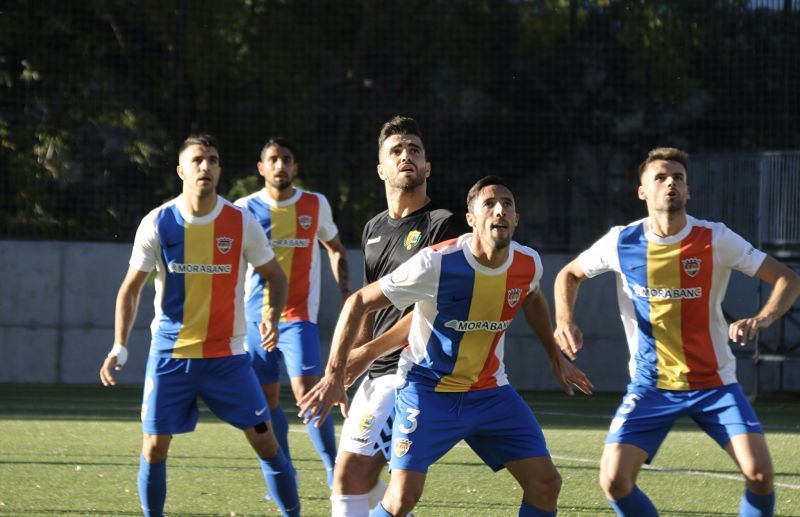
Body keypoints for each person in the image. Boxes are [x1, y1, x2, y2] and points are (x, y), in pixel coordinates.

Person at [301, 175, 593, 516]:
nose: (499, 210)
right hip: (427, 391)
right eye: (489, 204)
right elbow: (358, 302)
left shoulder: (528, 263)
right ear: (471, 219)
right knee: (401, 499)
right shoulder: (436, 263)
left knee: (546, 484)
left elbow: (532, 296)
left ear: (516, 218)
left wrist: (554, 356)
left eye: (507, 204)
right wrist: (335, 373)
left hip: (490, 393)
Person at [552, 147, 800, 517]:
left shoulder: (715, 238)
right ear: (642, 191)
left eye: (678, 178)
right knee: (614, 481)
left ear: (688, 192)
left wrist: (760, 319)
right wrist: (564, 320)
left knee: (760, 474)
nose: (671, 183)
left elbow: (786, 278)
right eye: (661, 177)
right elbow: (568, 274)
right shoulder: (622, 242)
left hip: (713, 382)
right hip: (651, 385)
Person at [99, 134, 300, 517]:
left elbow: (275, 275)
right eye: (197, 160)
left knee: (266, 440)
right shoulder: (158, 222)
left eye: (212, 159)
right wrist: (119, 346)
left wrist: (271, 317)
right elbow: (130, 290)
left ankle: (293, 514)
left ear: (220, 169)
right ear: (181, 170)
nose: (205, 166)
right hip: (171, 357)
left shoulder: (242, 221)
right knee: (154, 446)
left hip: (228, 358)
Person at [305, 116, 463, 516]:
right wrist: (353, 362)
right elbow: (367, 304)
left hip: (415, 371)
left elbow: (434, 311)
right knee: (362, 484)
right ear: (381, 169)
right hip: (377, 371)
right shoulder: (374, 228)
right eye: (396, 150)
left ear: (428, 166)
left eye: (415, 150)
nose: (406, 155)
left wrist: (365, 353)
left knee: (353, 478)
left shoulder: (444, 224)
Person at [235, 137, 348, 488]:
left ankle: (335, 471)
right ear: (262, 168)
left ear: (295, 167)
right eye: (274, 159)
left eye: (287, 158)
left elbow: (336, 248)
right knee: (266, 399)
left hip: (299, 316)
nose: (280, 165)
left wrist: (347, 293)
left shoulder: (315, 204)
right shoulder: (243, 209)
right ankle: (284, 472)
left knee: (307, 391)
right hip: (256, 320)